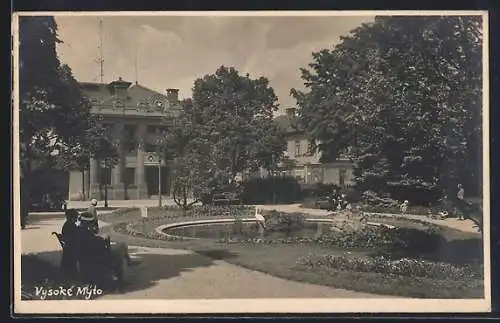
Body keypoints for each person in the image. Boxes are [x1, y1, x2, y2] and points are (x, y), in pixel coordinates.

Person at [60, 209, 80, 275]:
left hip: (70, 247)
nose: (76, 219)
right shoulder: (68, 226)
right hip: (71, 248)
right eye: (75, 217)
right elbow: (74, 237)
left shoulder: (69, 225)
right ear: (71, 217)